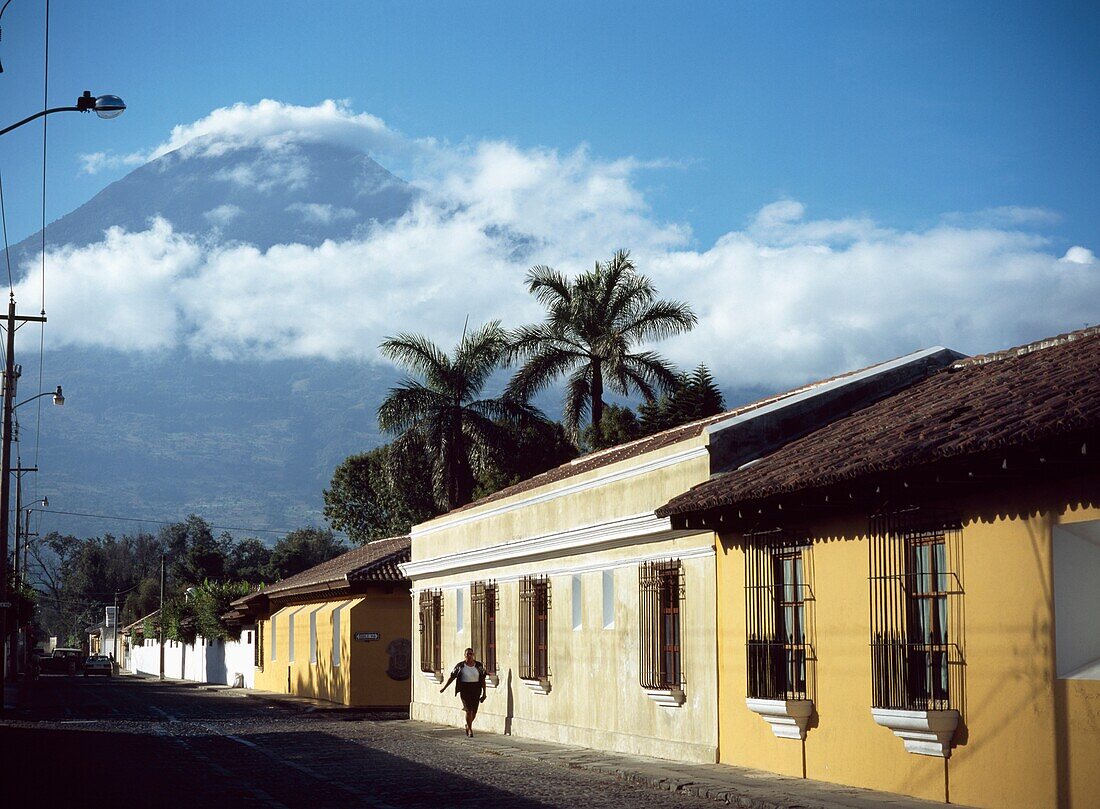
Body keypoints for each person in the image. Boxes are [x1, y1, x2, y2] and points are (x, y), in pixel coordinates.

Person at [440, 647, 487, 737]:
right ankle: (470, 729)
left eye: (471, 654)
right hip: (465, 689)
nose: (469, 656)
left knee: (474, 711)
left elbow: (483, 680)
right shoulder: (460, 666)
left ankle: (467, 724)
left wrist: (484, 693)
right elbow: (452, 677)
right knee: (469, 710)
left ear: (473, 655)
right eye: (467, 654)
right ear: (464, 655)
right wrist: (444, 687)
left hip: (476, 689)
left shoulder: (478, 665)